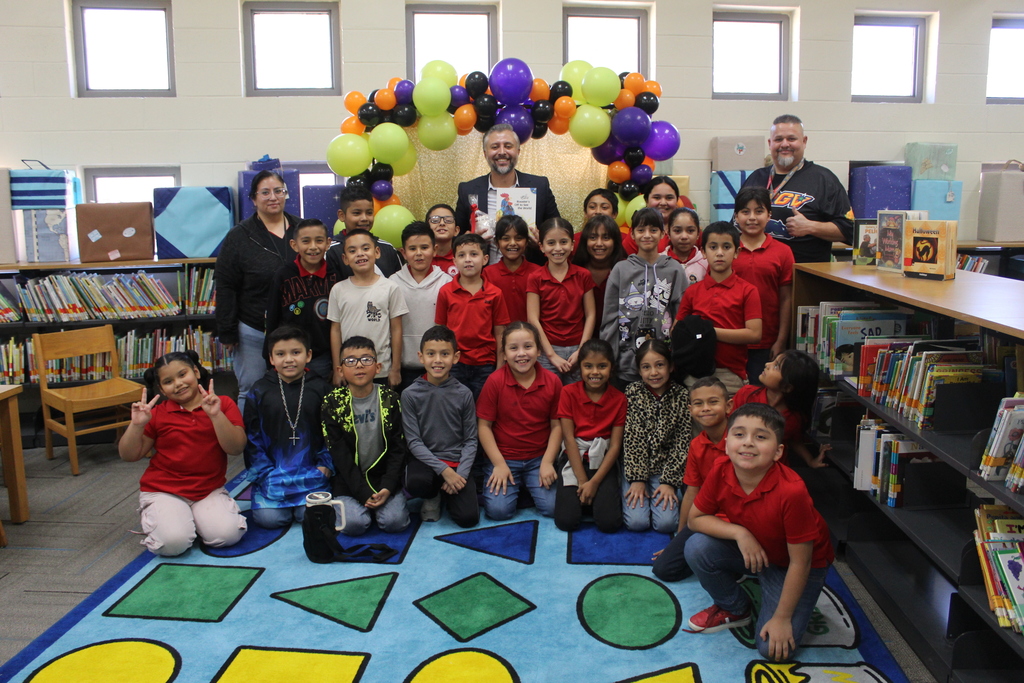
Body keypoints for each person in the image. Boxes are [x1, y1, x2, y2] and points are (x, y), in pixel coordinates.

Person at [684, 403, 834, 662]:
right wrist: (740, 533)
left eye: (761, 436)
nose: (748, 443)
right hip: (758, 550)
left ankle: (780, 599)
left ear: (778, 452)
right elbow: (695, 520)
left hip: (795, 565)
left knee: (772, 650)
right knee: (696, 547)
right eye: (739, 434)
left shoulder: (792, 491)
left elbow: (802, 561)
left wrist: (782, 618)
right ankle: (736, 608)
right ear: (727, 442)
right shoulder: (721, 469)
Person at [118, 351, 247, 556]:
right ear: (161, 388)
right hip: (164, 490)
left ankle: (187, 519)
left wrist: (215, 416)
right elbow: (129, 455)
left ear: (196, 372)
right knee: (173, 544)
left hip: (208, 489)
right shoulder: (158, 413)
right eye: (168, 381)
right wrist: (136, 425)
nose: (178, 384)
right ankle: (164, 517)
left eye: (182, 374)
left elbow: (236, 448)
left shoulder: (223, 403)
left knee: (227, 536)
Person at [215, 170, 299, 412]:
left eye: (278, 191)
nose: (273, 197)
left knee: (295, 388)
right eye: (265, 192)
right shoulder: (239, 236)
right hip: (253, 328)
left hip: (296, 327)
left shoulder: (302, 229)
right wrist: (227, 332)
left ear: (285, 195)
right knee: (252, 389)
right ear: (253, 198)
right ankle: (251, 448)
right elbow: (226, 285)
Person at [243, 326, 333, 529]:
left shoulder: (322, 389)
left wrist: (325, 465)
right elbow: (252, 437)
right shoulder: (259, 390)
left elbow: (333, 434)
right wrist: (264, 472)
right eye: (280, 354)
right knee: (271, 520)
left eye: (296, 352)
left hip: (313, 473)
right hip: (273, 475)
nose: (289, 359)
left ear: (308, 355)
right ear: (271, 358)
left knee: (310, 515)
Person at [321, 336, 410, 536]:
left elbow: (398, 448)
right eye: (351, 361)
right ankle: (362, 505)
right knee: (354, 525)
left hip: (384, 479)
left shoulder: (390, 399)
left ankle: (383, 501)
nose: (359, 365)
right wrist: (362, 492)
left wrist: (388, 486)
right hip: (349, 481)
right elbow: (339, 454)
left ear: (378, 367)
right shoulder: (333, 403)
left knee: (394, 522)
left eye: (366, 359)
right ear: (340, 370)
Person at [477, 321, 563, 521]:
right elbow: (484, 427)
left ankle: (526, 486)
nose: (521, 353)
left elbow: (557, 425)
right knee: (499, 512)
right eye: (513, 348)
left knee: (553, 508)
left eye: (528, 346)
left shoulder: (552, 381)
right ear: (504, 354)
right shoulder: (495, 381)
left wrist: (548, 462)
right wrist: (498, 464)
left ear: (539, 350)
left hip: (538, 459)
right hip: (504, 458)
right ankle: (518, 487)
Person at [742, 114, 855, 263]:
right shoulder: (755, 178)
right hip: (758, 272)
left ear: (804, 141)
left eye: (791, 139)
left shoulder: (823, 179)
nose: (784, 144)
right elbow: (736, 223)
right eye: (778, 139)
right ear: (770, 143)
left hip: (803, 276)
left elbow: (851, 231)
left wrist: (811, 227)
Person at [652, 376, 732, 582]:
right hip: (708, 519)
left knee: (704, 551)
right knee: (664, 569)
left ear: (728, 405)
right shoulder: (697, 445)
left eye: (713, 402)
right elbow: (691, 493)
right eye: (698, 403)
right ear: (690, 410)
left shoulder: (739, 440)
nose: (705, 408)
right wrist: (679, 540)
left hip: (740, 520)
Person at [601, 207, 687, 390]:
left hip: (664, 364)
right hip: (626, 365)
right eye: (641, 230)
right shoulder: (620, 269)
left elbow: (682, 316)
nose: (647, 235)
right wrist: (609, 359)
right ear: (632, 234)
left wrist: (678, 357)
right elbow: (610, 319)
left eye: (653, 230)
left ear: (663, 233)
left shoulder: (674, 269)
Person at [402, 325, 479, 527]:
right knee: (417, 482)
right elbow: (413, 441)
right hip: (426, 462)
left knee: (468, 519)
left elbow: (471, 439)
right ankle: (433, 494)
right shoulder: (410, 394)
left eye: (444, 354)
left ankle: (450, 490)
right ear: (421, 357)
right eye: (431, 354)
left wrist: (460, 475)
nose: (437, 360)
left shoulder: (464, 394)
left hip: (456, 462)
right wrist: (445, 472)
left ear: (455, 357)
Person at [674, 222, 762, 395]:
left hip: (731, 374)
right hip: (695, 372)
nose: (720, 253)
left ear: (737, 252)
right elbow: (677, 330)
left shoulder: (748, 290)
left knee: (732, 420)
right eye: (713, 247)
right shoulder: (693, 291)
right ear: (704, 252)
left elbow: (754, 334)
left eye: (726, 247)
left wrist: (709, 332)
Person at [554, 338, 625, 533]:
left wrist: (594, 483)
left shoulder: (619, 399)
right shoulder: (568, 393)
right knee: (566, 522)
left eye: (602, 366)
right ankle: (583, 497)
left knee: (610, 523)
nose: (595, 372)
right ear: (580, 368)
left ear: (611, 368)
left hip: (603, 460)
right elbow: (568, 440)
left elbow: (615, 446)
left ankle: (594, 498)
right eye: (588, 366)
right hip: (574, 457)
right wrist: (583, 481)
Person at [621, 339, 690, 533]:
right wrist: (637, 479)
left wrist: (669, 481)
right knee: (637, 523)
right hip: (636, 469)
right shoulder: (632, 393)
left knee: (666, 524)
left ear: (671, 367)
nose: (654, 373)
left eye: (660, 365)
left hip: (665, 470)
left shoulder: (682, 396)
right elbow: (632, 438)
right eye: (646, 367)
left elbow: (682, 442)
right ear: (639, 370)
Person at [327, 229, 409, 388]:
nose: (360, 254)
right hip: (349, 370)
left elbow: (397, 330)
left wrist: (395, 368)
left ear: (377, 252)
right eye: (352, 251)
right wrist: (338, 369)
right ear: (345, 258)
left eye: (365, 248)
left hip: (381, 370)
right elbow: (335, 331)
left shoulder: (390, 288)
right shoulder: (338, 290)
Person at [435, 232, 511, 400]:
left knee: (483, 408)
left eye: (473, 254)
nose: (468, 259)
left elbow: (500, 333)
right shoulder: (445, 292)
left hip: (485, 363)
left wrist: (500, 366)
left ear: (485, 259)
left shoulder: (495, 293)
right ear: (455, 261)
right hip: (454, 362)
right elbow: (441, 332)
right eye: (462, 255)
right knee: (455, 407)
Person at [731, 187, 795, 384]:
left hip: (767, 343)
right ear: (736, 216)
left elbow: (786, 298)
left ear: (769, 215)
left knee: (762, 397)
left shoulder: (783, 252)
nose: (752, 217)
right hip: (731, 340)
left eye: (759, 211)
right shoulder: (726, 249)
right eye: (745, 211)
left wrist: (781, 341)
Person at [265, 218, 342, 380]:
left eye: (319, 241)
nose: (313, 247)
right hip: (289, 356)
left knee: (318, 399)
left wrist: (337, 366)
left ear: (328, 243)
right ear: (294, 245)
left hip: (322, 357)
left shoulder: (336, 275)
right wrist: (269, 359)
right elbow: (272, 318)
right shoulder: (283, 275)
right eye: (306, 241)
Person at [454, 123, 560, 238]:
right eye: (495, 147)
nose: (502, 152)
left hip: (529, 255)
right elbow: (457, 236)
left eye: (508, 146)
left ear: (518, 151)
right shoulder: (467, 190)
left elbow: (557, 230)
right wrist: (472, 241)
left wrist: (541, 242)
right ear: (485, 154)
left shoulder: (540, 186)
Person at [528, 217, 596, 384]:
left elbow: (591, 314)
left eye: (563, 242)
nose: (558, 248)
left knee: (576, 399)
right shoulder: (535, 277)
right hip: (546, 350)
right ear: (542, 247)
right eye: (551, 243)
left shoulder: (583, 275)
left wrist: (581, 350)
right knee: (548, 399)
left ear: (572, 245)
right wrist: (551, 355)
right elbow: (532, 318)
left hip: (578, 349)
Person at [732, 350, 828, 469]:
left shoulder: (794, 418)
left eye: (776, 366)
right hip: (741, 462)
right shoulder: (746, 394)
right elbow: (728, 428)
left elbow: (793, 440)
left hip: (773, 469)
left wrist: (810, 461)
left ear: (787, 387)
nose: (767, 365)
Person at [389, 222, 452, 391]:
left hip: (438, 366)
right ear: (403, 252)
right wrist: (394, 367)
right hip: (403, 366)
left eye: (424, 247)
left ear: (435, 249)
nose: (419, 254)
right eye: (412, 249)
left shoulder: (447, 283)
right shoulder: (392, 283)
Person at [325, 185, 404, 278]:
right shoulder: (331, 252)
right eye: (357, 213)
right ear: (342, 215)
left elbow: (399, 285)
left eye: (369, 213)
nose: (364, 218)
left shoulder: (388, 249)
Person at [483, 215, 543, 324]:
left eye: (518, 238)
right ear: (497, 242)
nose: (512, 243)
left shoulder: (538, 272)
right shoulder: (487, 274)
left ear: (527, 242)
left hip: (531, 337)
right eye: (506, 238)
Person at [572, 214, 626, 314]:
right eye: (593, 237)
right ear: (585, 241)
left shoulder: (626, 270)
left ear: (615, 242)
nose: (599, 243)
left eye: (606, 238)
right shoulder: (574, 271)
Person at [663, 208, 708, 286]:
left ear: (698, 234)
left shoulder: (706, 261)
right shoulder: (659, 262)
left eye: (690, 231)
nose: (684, 236)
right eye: (677, 231)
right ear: (668, 233)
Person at [573, 188, 619, 253]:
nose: (598, 212)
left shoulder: (624, 240)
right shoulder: (574, 240)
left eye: (604, 207)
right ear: (585, 212)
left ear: (614, 214)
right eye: (592, 207)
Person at [426, 203, 460, 278]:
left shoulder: (462, 258)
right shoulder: (422, 258)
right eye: (435, 220)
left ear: (456, 230)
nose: (442, 223)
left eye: (448, 220)